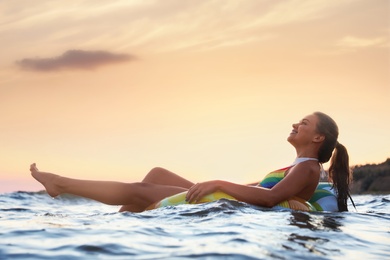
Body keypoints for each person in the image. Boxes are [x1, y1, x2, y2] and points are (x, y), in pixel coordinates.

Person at [30, 112, 352, 212]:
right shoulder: (299, 165)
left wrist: (218, 182)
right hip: (237, 200)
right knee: (157, 173)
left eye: (304, 123)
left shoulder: (308, 167)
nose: (296, 124)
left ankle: (61, 184)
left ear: (318, 138)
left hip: (241, 209)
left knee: (142, 189)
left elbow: (270, 198)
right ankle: (133, 217)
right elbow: (265, 189)